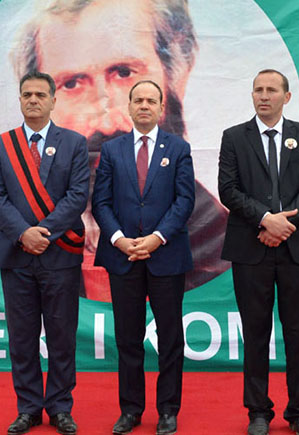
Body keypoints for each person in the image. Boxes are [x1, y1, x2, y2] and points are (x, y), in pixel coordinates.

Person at [11, 0, 229, 301]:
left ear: (175, 76)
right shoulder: (34, 237)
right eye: (72, 83)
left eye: (124, 73)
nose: (106, 117)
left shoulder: (221, 243)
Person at [218, 70, 299, 435]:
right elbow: (228, 190)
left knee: (298, 331)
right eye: (258, 90)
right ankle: (258, 412)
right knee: (255, 332)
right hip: (251, 248)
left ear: (286, 97)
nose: (264, 96)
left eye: (271, 90)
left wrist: (284, 224)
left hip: (298, 248)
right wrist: (266, 220)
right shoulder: (234, 137)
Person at [0, 71, 89, 435]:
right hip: (16, 254)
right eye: (27, 94)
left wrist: (43, 232)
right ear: (19, 99)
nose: (33, 100)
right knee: (22, 337)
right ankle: (28, 407)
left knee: (62, 335)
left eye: (40, 94)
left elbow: (78, 195)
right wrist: (23, 234)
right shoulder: (2, 145)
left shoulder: (74, 143)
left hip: (58, 253)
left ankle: (60, 407)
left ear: (53, 101)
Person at [92, 80, 195, 435]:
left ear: (161, 107)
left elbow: (184, 201)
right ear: (130, 105)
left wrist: (155, 238)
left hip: (166, 255)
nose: (145, 106)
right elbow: (100, 202)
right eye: (139, 100)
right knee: (127, 337)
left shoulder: (178, 148)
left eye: (152, 100)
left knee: (170, 338)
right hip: (123, 257)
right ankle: (131, 409)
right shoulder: (112, 150)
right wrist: (120, 240)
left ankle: (168, 410)